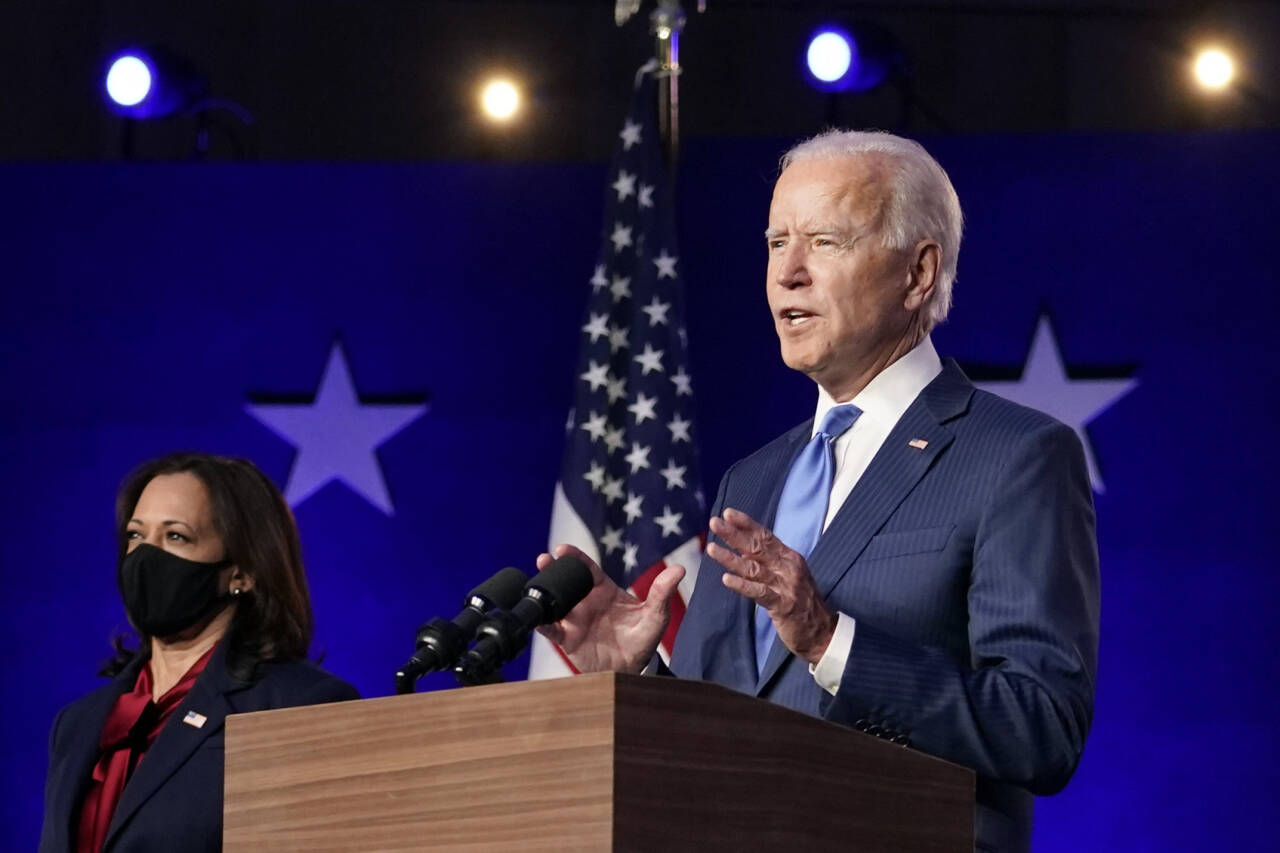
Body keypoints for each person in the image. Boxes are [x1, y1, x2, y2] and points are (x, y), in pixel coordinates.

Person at [536, 130, 1100, 853]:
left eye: (825, 241)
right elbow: (737, 729)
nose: (787, 274)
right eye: (776, 242)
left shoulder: (1014, 456)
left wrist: (833, 641)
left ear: (918, 272)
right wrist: (638, 678)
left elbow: (1041, 727)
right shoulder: (757, 476)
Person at [39, 452, 359, 853]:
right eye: (137, 536)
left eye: (176, 537)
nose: (145, 557)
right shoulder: (77, 724)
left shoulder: (298, 708)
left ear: (241, 572)